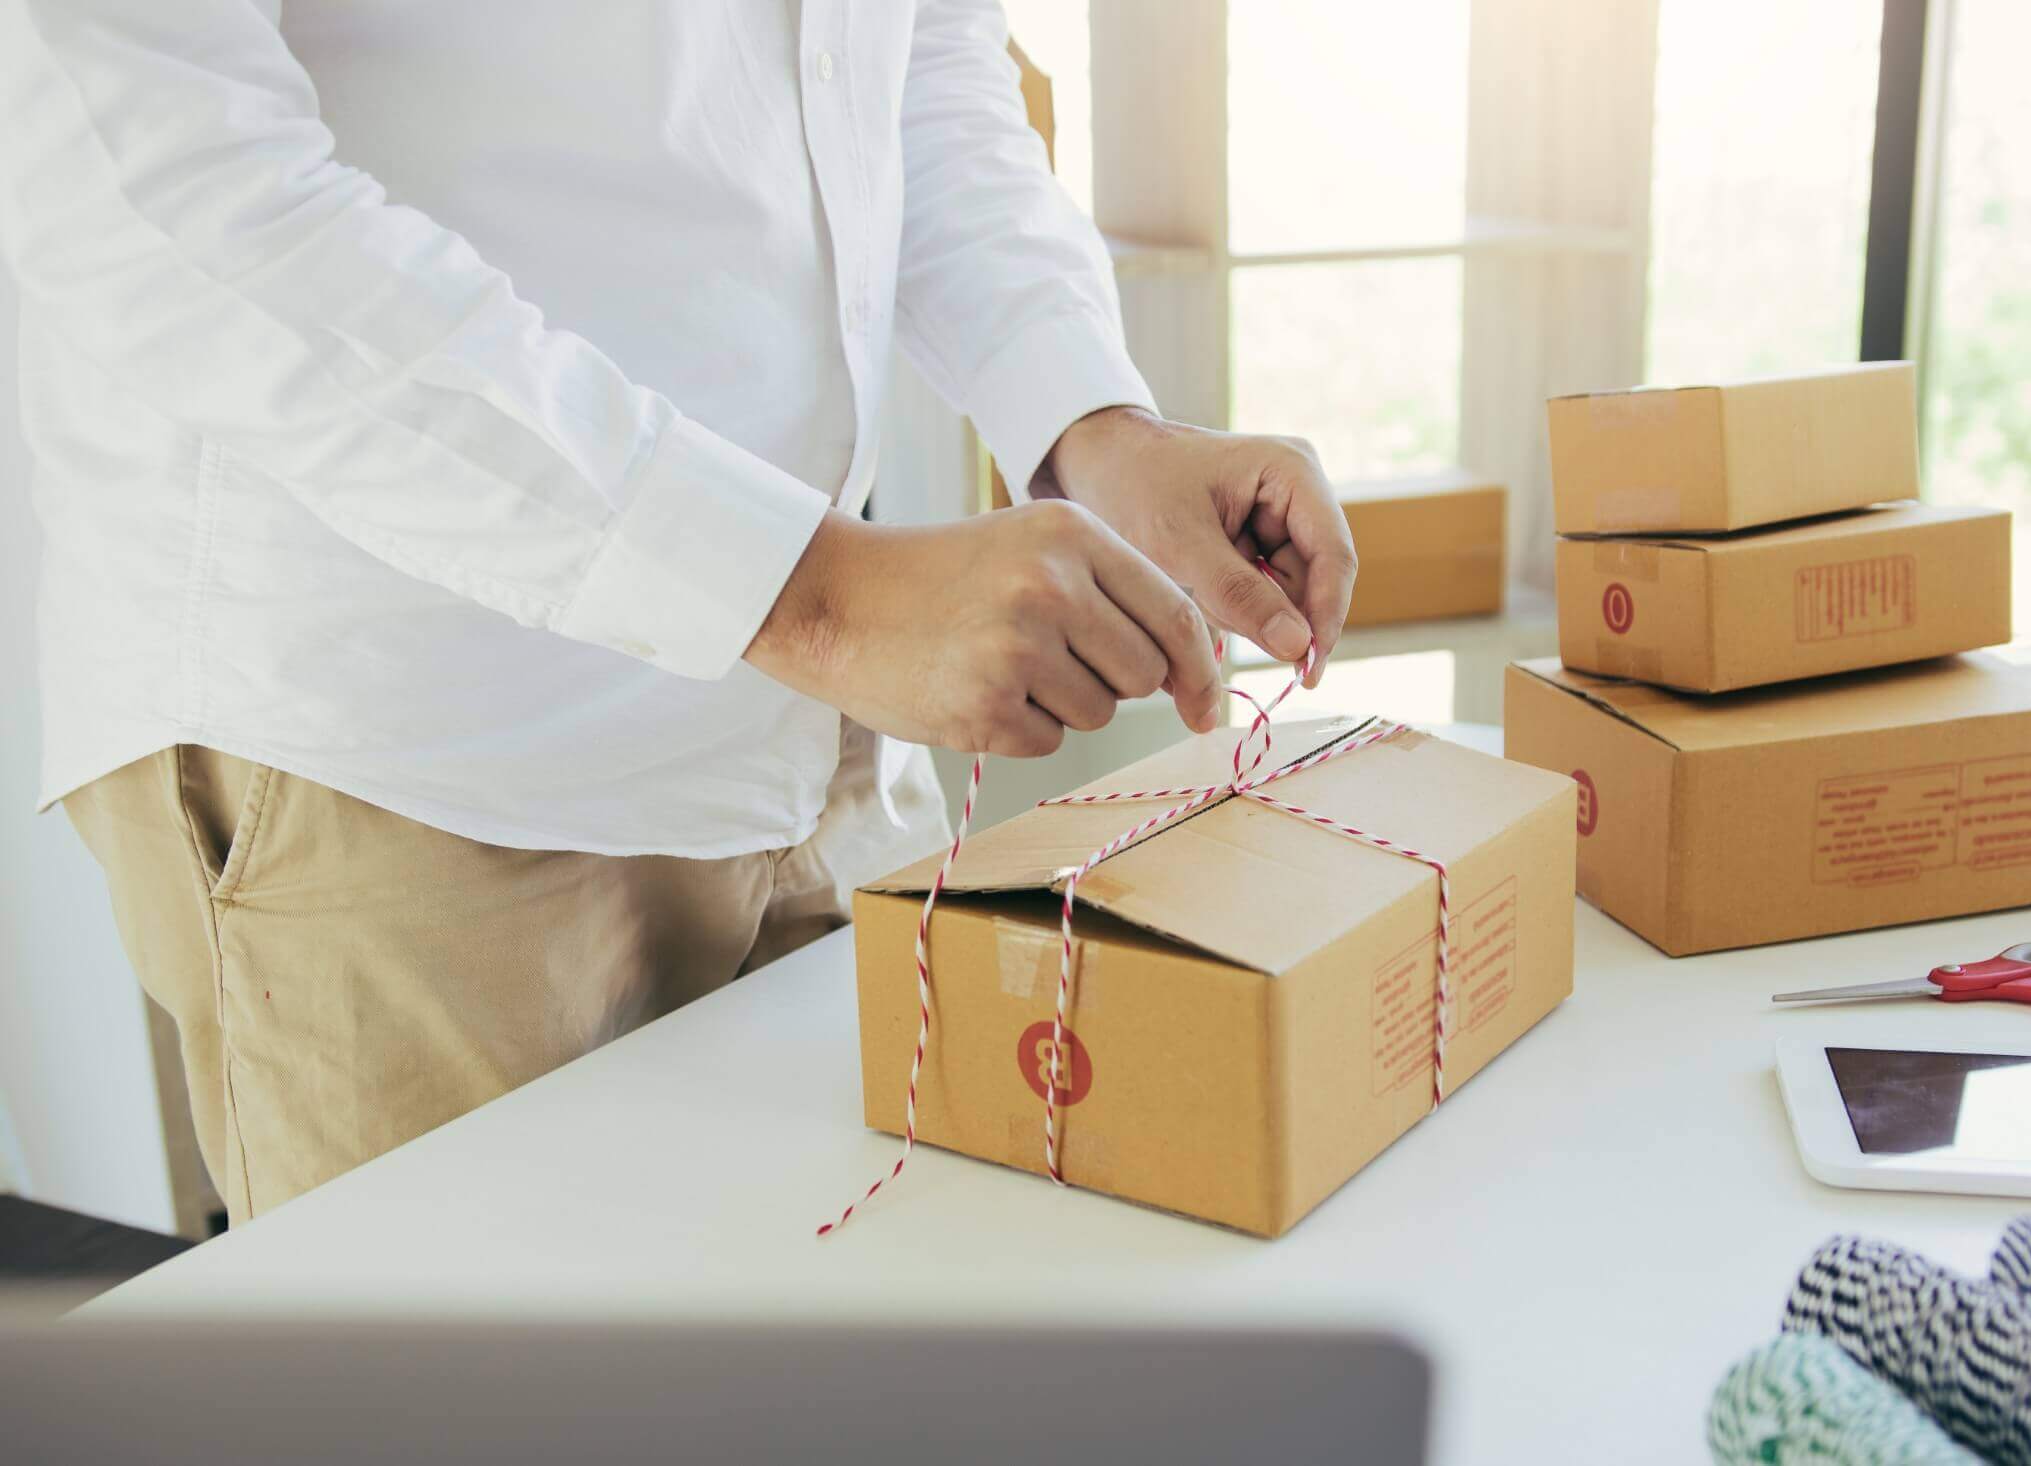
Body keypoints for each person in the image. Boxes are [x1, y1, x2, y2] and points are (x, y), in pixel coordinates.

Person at [0, 0, 1357, 1222]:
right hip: (411, 749)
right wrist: (809, 593)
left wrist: (1088, 419)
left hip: (805, 734)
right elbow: (153, 172)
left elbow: (920, 51)